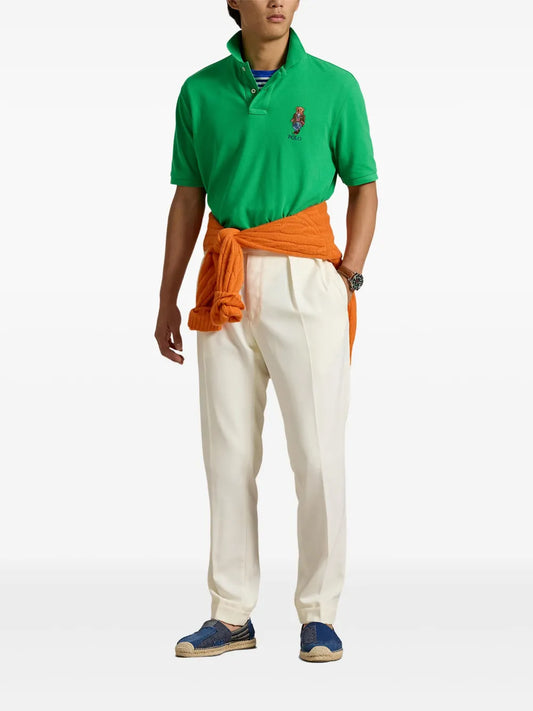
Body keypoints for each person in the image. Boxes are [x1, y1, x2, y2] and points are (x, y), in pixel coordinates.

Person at [155, 0, 378, 662]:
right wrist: (166, 296)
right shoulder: (199, 91)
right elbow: (187, 198)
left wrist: (349, 273)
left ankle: (319, 613)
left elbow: (364, 184)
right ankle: (231, 615)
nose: (278, 0)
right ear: (233, 1)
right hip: (222, 278)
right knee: (226, 453)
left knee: (317, 452)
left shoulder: (334, 86)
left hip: (305, 275)